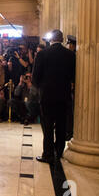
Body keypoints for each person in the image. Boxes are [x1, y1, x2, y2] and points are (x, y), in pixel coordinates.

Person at [32, 29, 76, 164]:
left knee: (48, 126)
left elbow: (35, 77)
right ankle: (59, 151)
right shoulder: (70, 55)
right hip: (63, 95)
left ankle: (48, 154)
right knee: (62, 125)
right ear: (62, 39)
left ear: (51, 40)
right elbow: (73, 75)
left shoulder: (42, 54)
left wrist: (41, 87)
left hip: (47, 96)